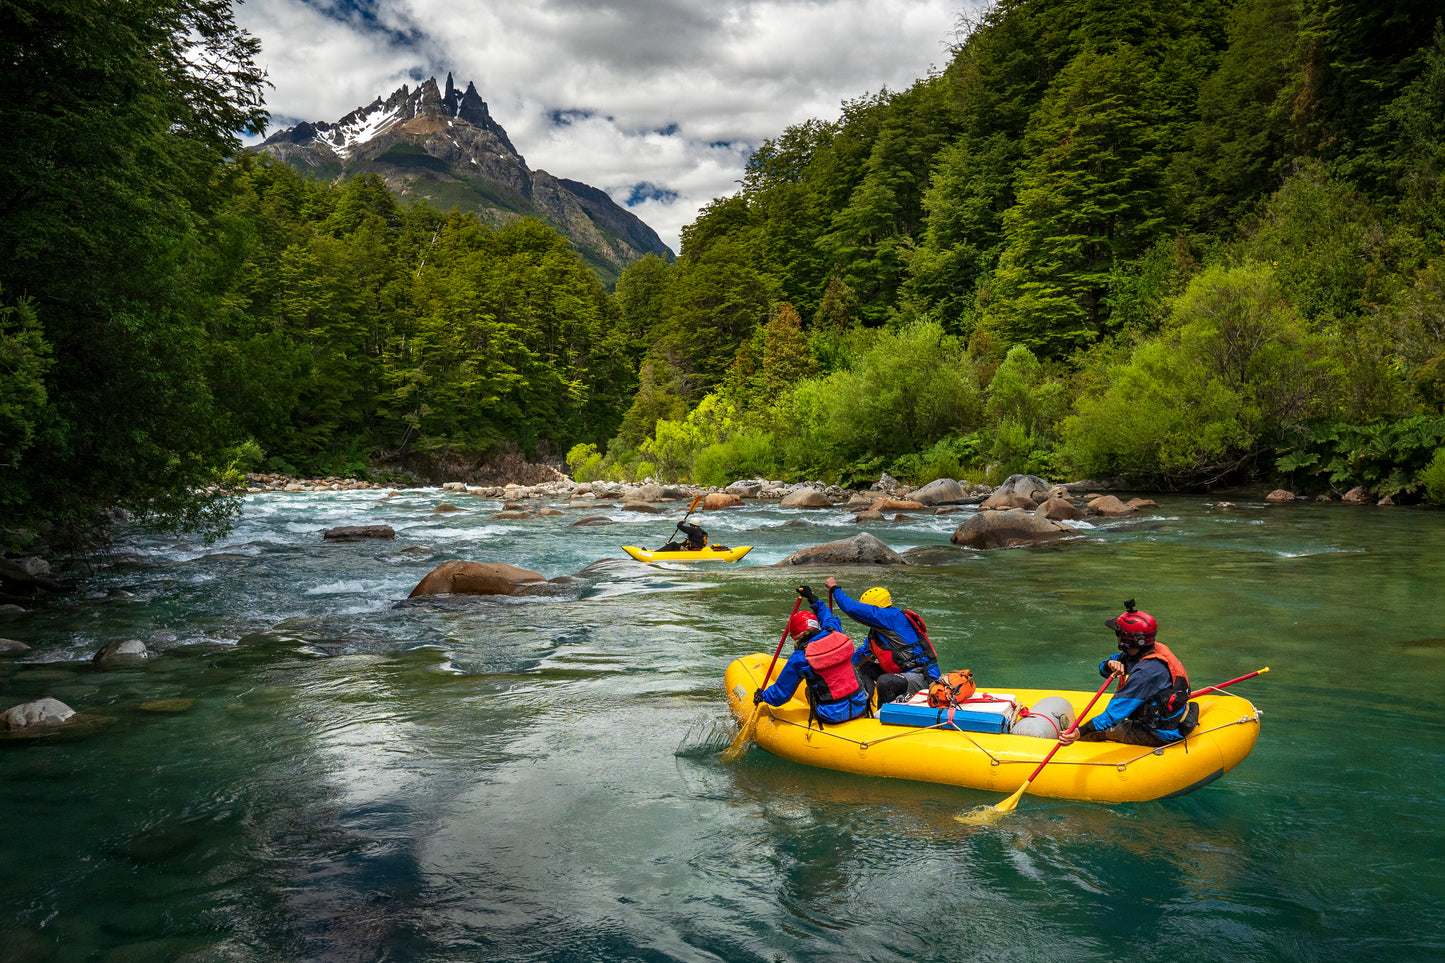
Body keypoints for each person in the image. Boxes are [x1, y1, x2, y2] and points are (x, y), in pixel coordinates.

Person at [1059, 600, 1198, 748]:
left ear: (1127, 640)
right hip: (1167, 717)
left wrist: (1079, 732)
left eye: (1118, 633)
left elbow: (1112, 715)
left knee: (1108, 729)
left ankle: (1074, 739)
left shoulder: (1147, 672)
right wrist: (1109, 665)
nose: (1116, 636)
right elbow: (1103, 668)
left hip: (1160, 732)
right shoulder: (1144, 650)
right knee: (1112, 722)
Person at [753, 586, 872, 725]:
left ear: (797, 636)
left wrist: (763, 696)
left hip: (831, 716)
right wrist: (813, 598)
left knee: (807, 690)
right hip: (861, 705)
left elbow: (781, 695)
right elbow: (827, 616)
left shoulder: (800, 657)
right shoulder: (835, 632)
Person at [824, 576, 941, 705]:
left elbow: (851, 608)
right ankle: (864, 707)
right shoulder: (878, 631)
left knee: (886, 681)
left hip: (922, 677)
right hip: (900, 675)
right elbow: (861, 655)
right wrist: (834, 668)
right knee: (866, 668)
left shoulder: (892, 617)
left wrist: (835, 588)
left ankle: (883, 714)